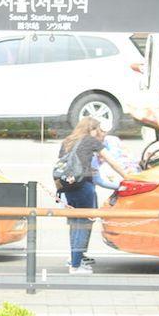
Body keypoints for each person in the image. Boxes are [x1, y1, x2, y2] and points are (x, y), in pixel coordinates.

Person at [55, 117, 129, 275]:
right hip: (84, 186)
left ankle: (75, 259)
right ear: (92, 129)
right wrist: (127, 177)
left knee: (75, 223)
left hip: (69, 187)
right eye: (97, 129)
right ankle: (76, 265)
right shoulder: (90, 140)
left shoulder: (67, 141)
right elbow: (112, 162)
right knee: (83, 224)